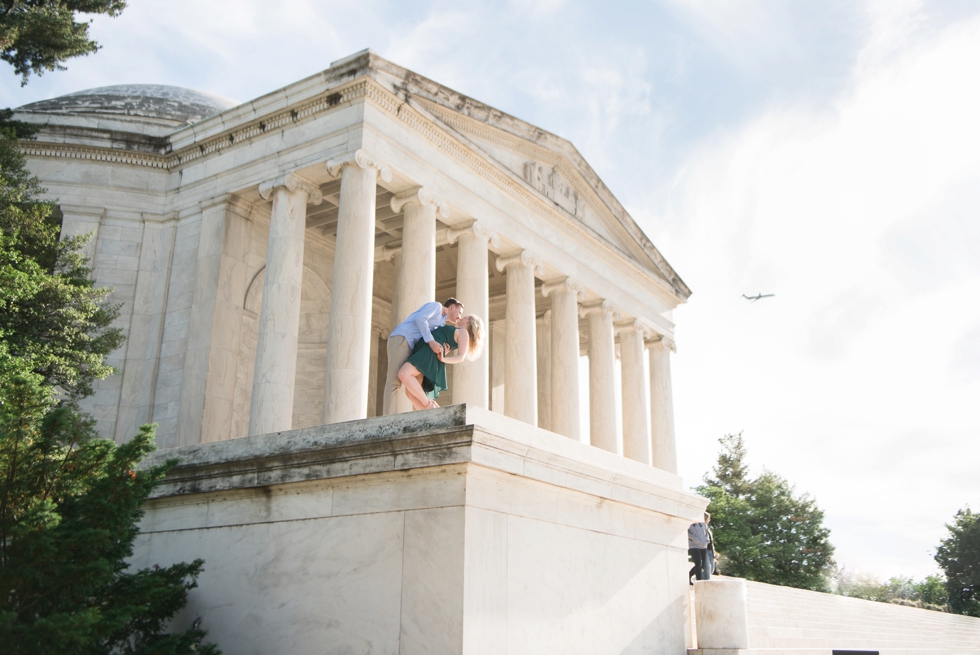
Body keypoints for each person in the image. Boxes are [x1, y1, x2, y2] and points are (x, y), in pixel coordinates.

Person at [383, 298, 463, 415]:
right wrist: (431, 342)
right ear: (452, 307)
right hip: (402, 338)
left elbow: (431, 336)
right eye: (459, 312)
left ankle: (428, 412)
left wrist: (443, 349)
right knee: (394, 382)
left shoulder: (441, 323)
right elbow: (420, 319)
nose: (460, 317)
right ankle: (388, 418)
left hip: (410, 344)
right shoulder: (437, 307)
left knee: (409, 385)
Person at [397, 315, 484, 409]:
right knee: (410, 393)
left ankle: (429, 405)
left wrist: (443, 359)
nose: (461, 317)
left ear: (469, 322)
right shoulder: (458, 331)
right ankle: (432, 414)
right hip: (424, 350)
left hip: (427, 353)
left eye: (465, 317)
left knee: (403, 374)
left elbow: (461, 357)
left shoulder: (463, 332)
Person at [688, 512, 712, 584]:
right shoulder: (690, 524)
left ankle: (688, 575)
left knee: (702, 564)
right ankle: (699, 581)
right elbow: (688, 534)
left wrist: (707, 541)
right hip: (694, 546)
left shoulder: (703, 524)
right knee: (698, 562)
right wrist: (695, 539)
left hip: (703, 546)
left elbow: (707, 533)